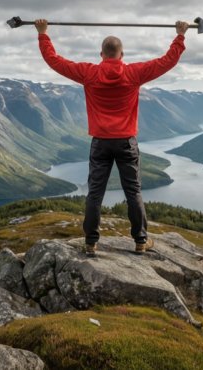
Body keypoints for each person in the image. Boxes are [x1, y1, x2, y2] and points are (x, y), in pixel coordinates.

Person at [35, 18, 189, 256]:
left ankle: (91, 242)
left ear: (101, 54)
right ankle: (140, 240)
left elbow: (54, 61)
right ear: (122, 54)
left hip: (100, 143)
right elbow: (167, 61)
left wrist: (43, 33)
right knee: (133, 191)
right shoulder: (133, 73)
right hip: (126, 142)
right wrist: (180, 36)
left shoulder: (89, 73)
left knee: (95, 193)